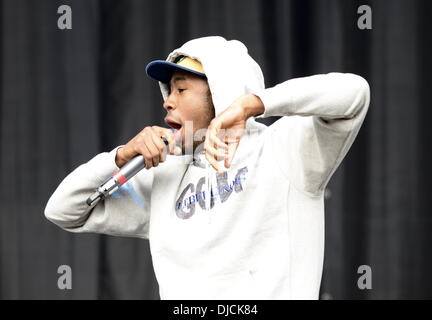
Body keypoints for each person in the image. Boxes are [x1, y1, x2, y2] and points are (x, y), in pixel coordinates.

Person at [44, 36, 370, 299]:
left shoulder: (286, 149)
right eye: (168, 90)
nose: (167, 101)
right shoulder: (163, 177)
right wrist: (119, 156)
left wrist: (250, 104)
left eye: (181, 88)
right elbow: (63, 210)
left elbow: (353, 94)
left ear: (221, 88)